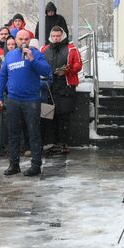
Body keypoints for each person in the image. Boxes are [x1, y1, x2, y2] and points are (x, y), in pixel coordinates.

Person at [0, 28, 52, 177]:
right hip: (13, 100)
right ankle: (14, 164)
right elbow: (3, 77)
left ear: (30, 40)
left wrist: (32, 59)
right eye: (20, 39)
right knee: (13, 134)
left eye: (26, 39)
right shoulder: (10, 56)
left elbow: (46, 72)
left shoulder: (36, 54)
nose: (23, 42)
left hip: (32, 100)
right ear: (15, 40)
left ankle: (36, 165)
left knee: (33, 133)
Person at [40, 24, 82, 155]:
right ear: (50, 36)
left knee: (63, 117)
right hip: (49, 87)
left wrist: (67, 70)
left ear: (62, 36)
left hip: (66, 87)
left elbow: (78, 64)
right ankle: (51, 142)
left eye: (58, 36)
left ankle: (62, 143)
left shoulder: (72, 49)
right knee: (48, 116)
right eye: (53, 36)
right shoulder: (44, 49)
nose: (56, 38)